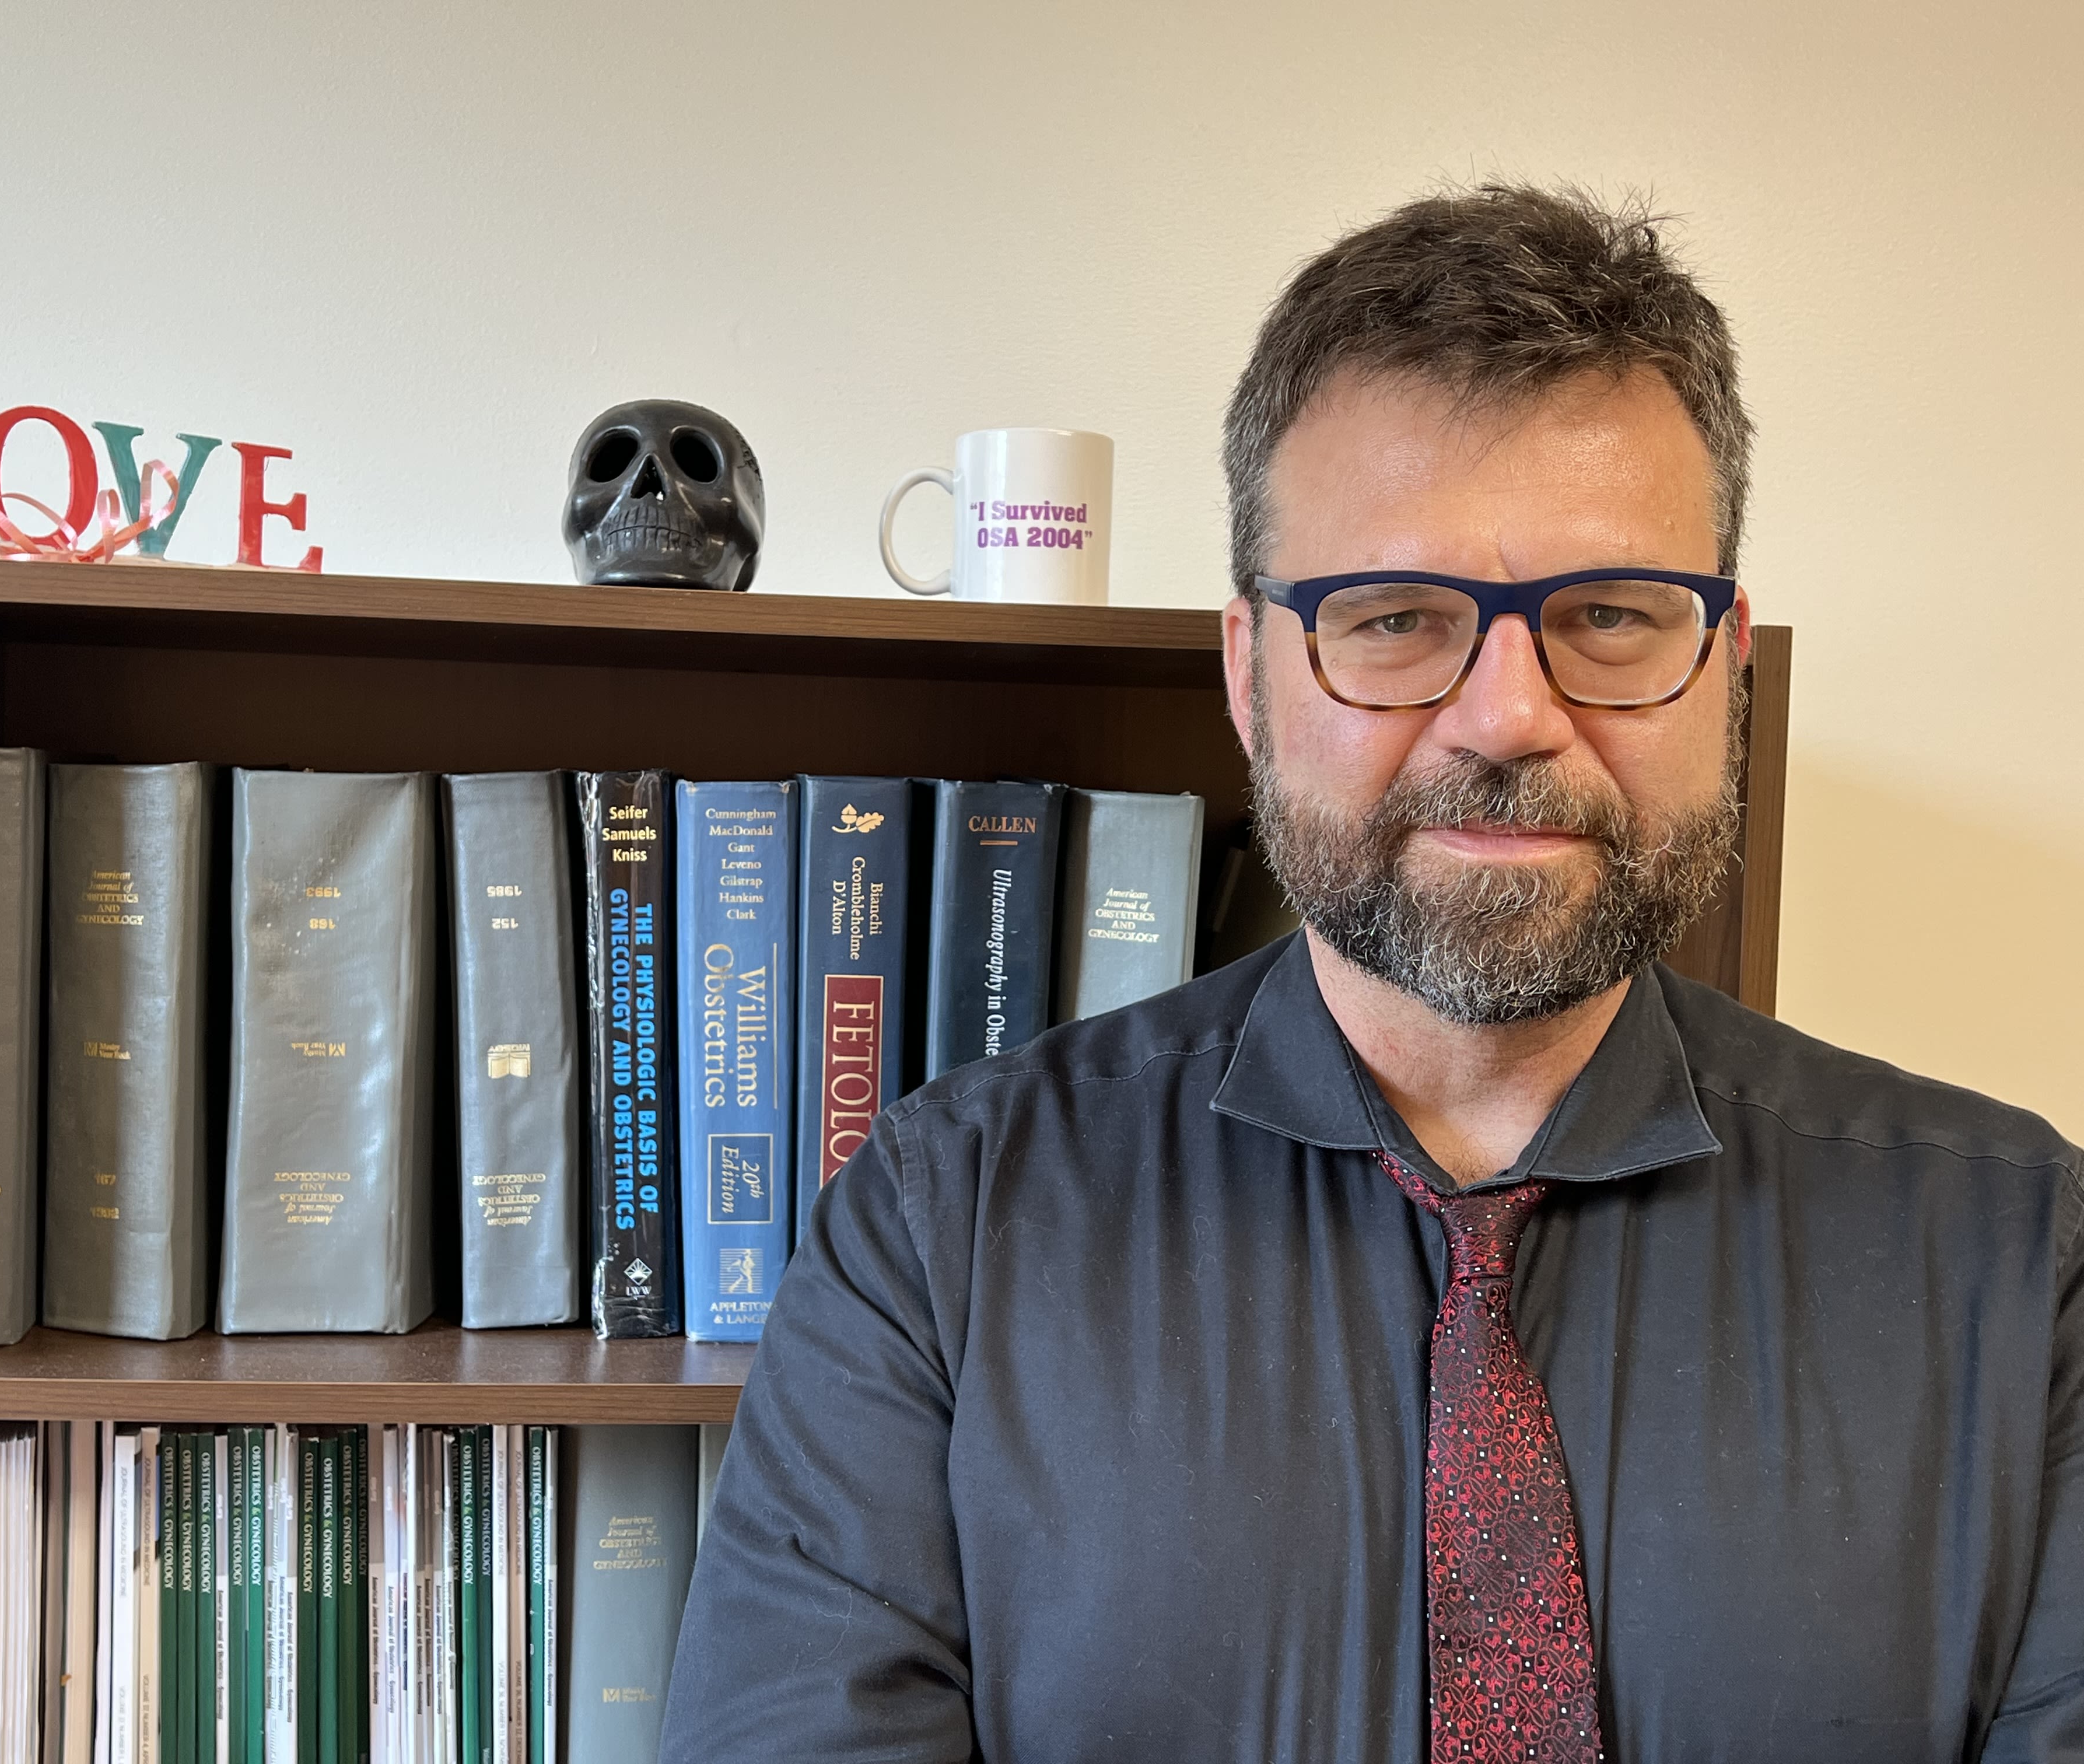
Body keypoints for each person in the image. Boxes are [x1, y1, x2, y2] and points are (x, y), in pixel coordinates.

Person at [660, 184, 2084, 1762]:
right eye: (1396, 620)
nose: (1507, 716)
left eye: (1612, 616)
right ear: (1250, 677)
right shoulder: (941, 1235)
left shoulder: (2028, 1269)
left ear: (1728, 668)